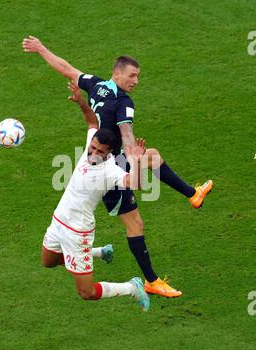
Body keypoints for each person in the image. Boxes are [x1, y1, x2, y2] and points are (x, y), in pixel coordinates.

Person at [23, 36, 213, 297]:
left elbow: (67, 69)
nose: (136, 81)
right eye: (133, 76)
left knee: (154, 157)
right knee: (135, 224)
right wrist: (133, 156)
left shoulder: (96, 84)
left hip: (99, 152)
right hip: (108, 165)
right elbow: (125, 131)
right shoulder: (124, 102)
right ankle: (150, 281)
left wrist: (41, 49)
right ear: (118, 72)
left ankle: (193, 194)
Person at [41, 82, 150, 311]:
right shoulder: (91, 144)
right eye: (93, 148)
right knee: (48, 261)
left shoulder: (112, 171)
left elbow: (136, 183)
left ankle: (132, 287)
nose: (93, 153)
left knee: (86, 292)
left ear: (110, 152)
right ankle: (101, 252)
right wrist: (82, 102)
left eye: (100, 151)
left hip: (78, 231)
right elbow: (92, 122)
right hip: (59, 220)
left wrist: (138, 163)